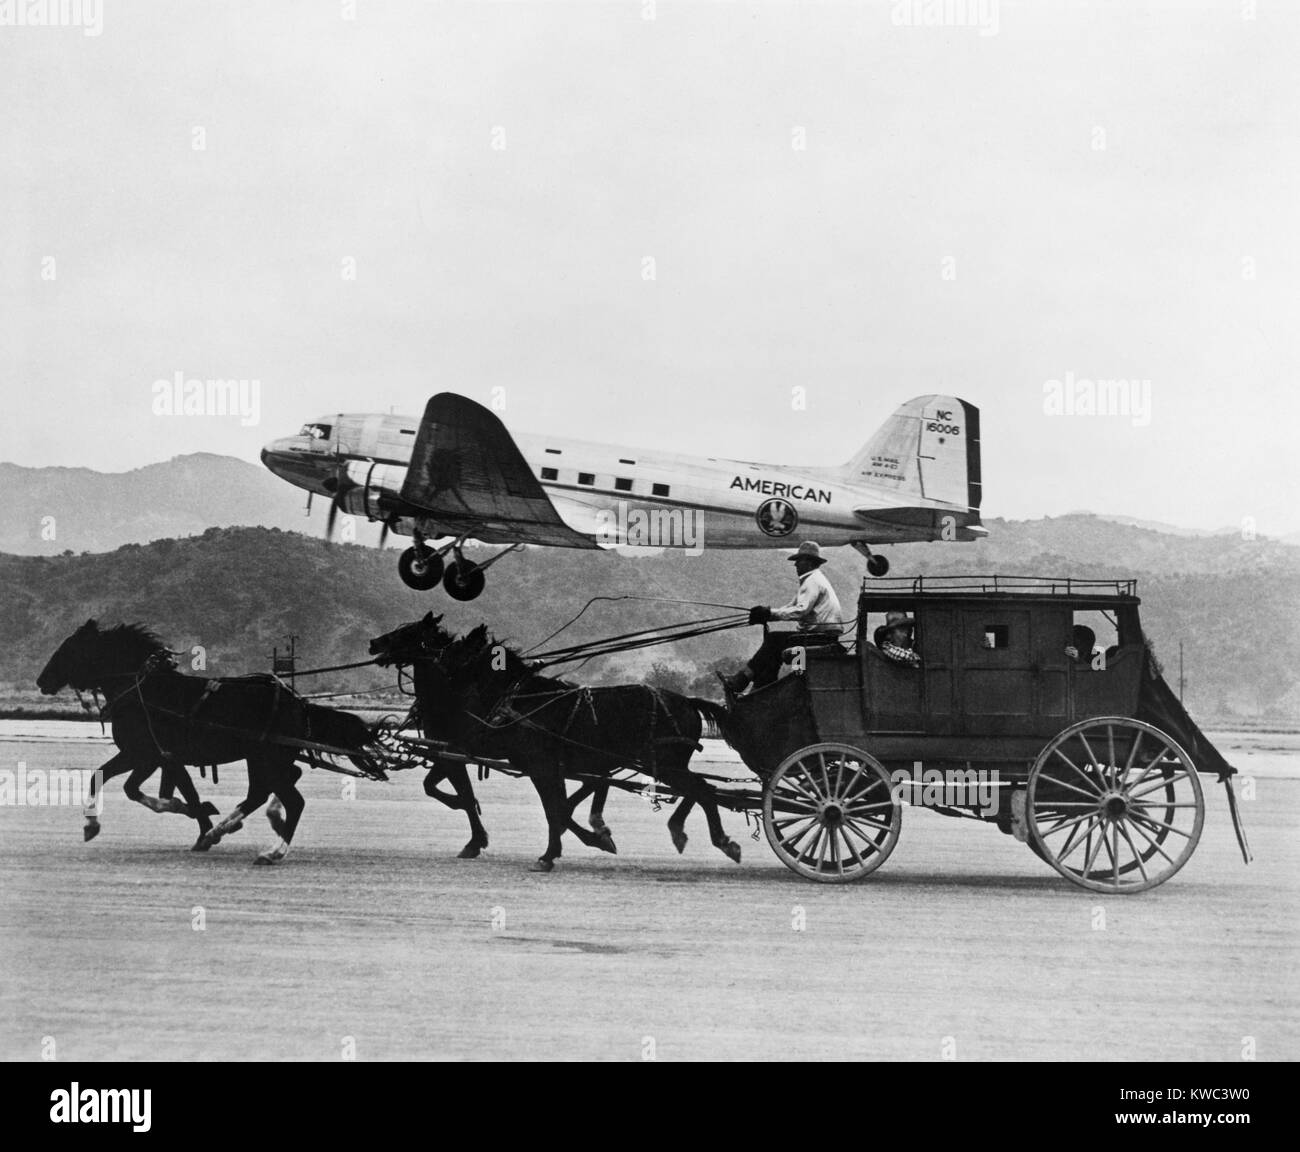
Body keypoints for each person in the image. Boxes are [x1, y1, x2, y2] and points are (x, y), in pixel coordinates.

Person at [721, 541, 844, 694]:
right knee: (775, 646)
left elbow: (800, 611)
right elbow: (789, 607)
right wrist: (767, 614)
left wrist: (769, 613)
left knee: (773, 640)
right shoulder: (813, 580)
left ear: (809, 562)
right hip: (821, 636)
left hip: (819, 638)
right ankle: (760, 689)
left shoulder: (812, 582)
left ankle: (743, 681)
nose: (796, 565)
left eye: (799, 561)